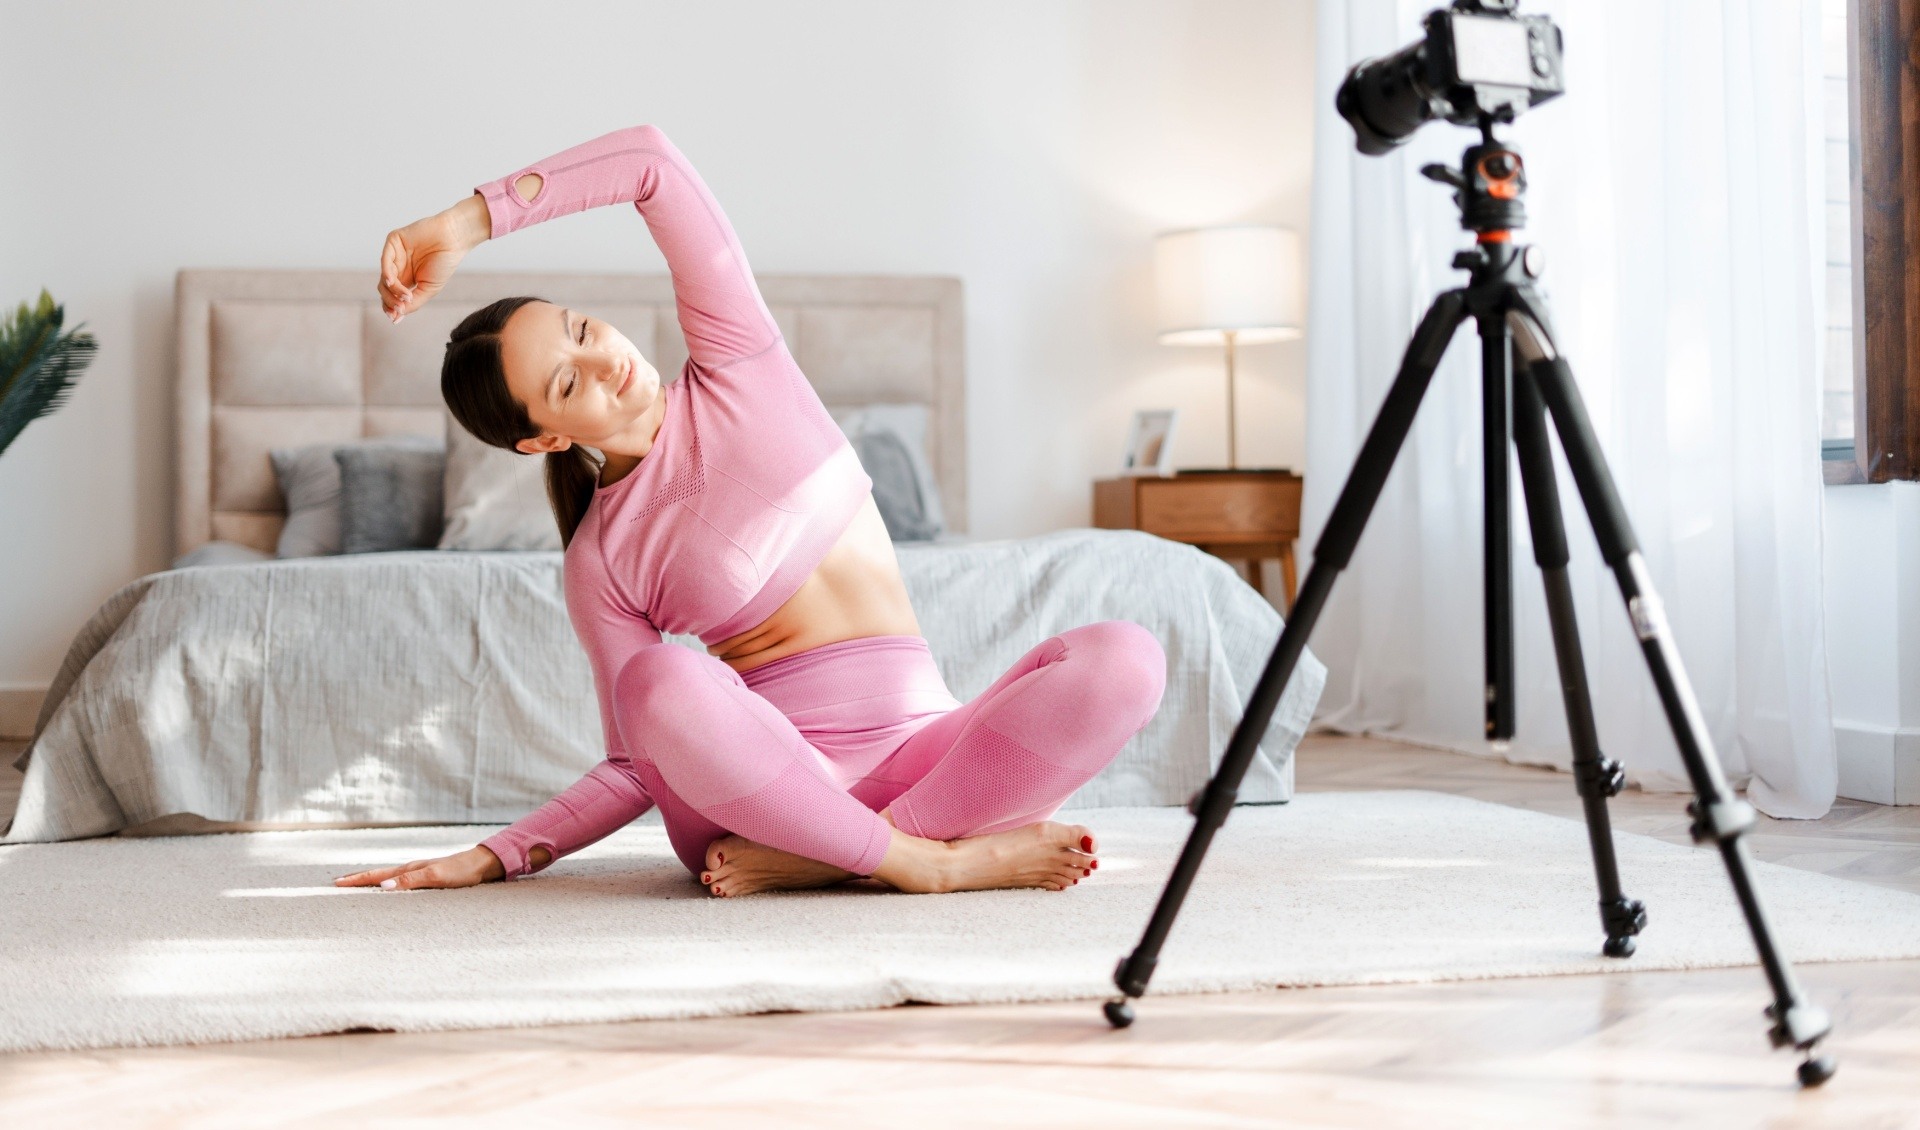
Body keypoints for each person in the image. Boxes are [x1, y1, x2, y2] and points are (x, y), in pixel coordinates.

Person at [335, 125, 1166, 898]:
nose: (604, 363)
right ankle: (928, 865)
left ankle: (847, 852)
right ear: (543, 441)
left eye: (583, 331)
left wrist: (464, 222)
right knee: (656, 680)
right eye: (565, 383)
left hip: (927, 752)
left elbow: (651, 162)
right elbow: (636, 762)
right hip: (774, 788)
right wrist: (497, 854)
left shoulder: (741, 361)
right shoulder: (601, 557)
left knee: (1127, 657)